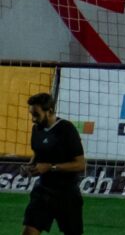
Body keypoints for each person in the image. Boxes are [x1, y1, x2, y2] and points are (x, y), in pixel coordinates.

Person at [23, 92, 85, 235]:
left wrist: (51, 167)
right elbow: (37, 155)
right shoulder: (36, 130)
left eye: (36, 115)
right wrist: (29, 167)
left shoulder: (67, 129)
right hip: (42, 192)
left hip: (67, 194)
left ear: (49, 111)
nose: (33, 119)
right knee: (29, 232)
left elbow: (80, 164)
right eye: (31, 114)